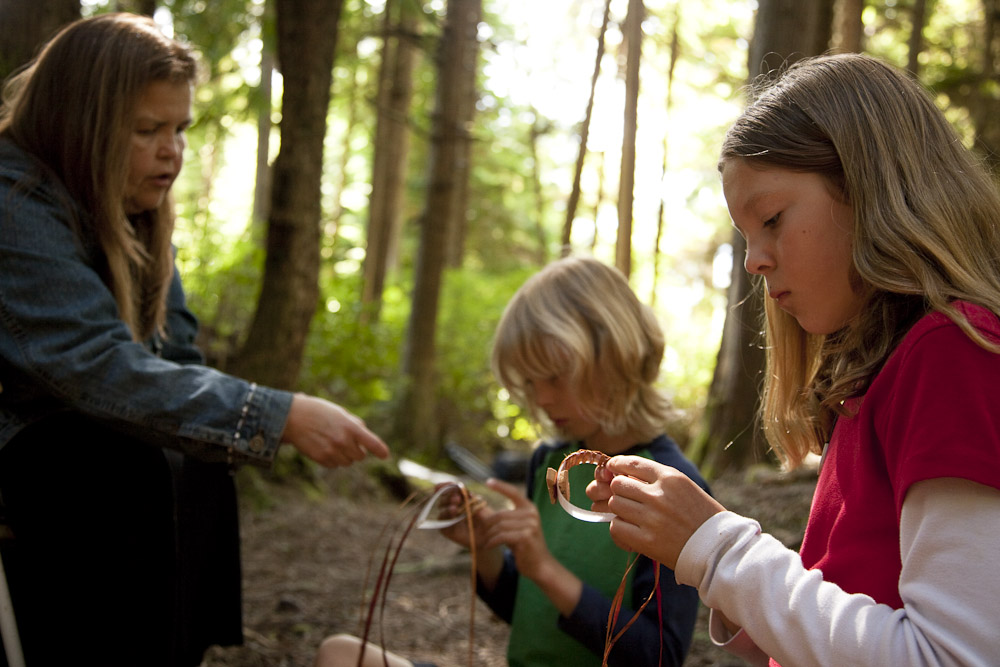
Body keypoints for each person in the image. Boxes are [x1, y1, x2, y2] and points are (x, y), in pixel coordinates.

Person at [0, 13, 389, 667]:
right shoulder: (15, 206)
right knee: (122, 460)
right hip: (29, 445)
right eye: (147, 130)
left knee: (202, 452)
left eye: (179, 129)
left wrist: (244, 419)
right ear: (83, 124)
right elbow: (96, 366)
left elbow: (176, 354)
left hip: (77, 439)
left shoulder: (135, 208)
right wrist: (277, 414)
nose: (171, 151)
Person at [586, 52, 1000, 666]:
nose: (754, 260)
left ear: (871, 185)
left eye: (772, 219)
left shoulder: (954, 355)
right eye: (746, 236)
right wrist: (708, 562)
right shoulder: (876, 379)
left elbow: (951, 656)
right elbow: (853, 613)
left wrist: (719, 548)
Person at [316, 256, 709, 667]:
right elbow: (528, 611)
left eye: (554, 377)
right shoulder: (550, 461)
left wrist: (545, 569)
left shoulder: (671, 485)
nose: (541, 399)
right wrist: (485, 550)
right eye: (530, 383)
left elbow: (658, 657)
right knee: (339, 654)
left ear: (614, 354)